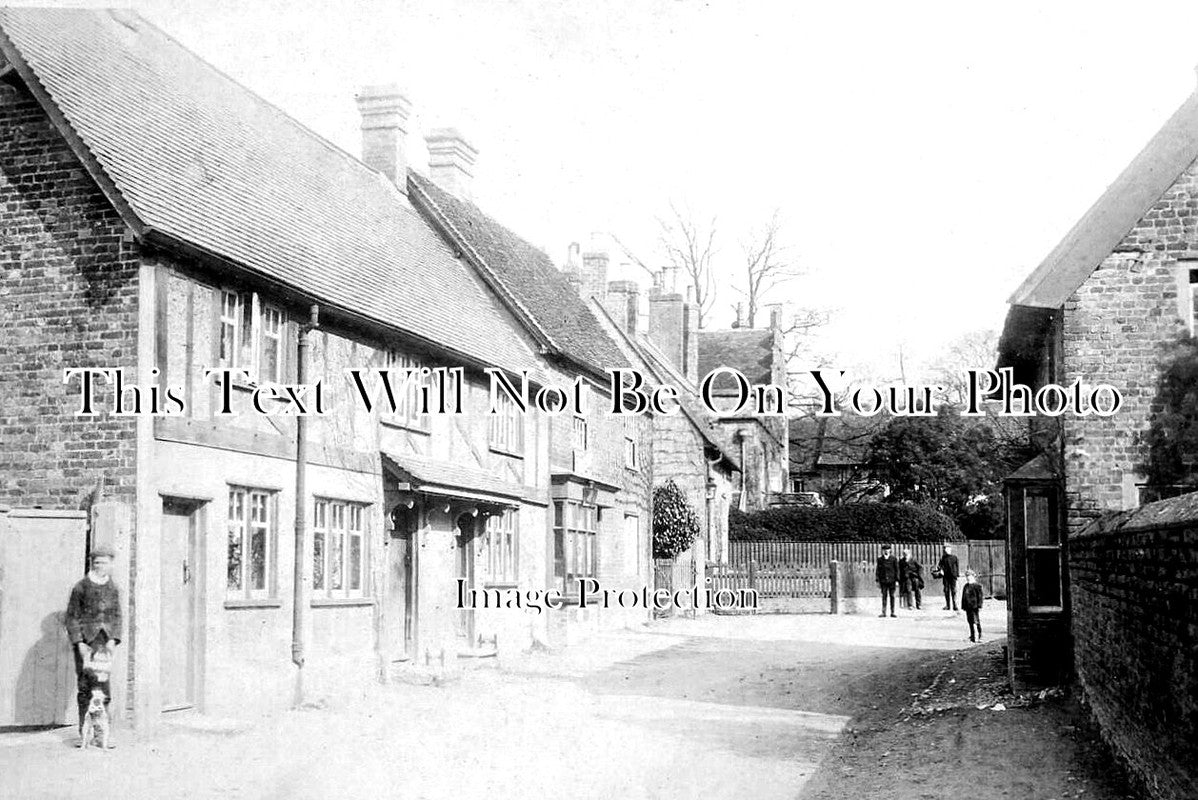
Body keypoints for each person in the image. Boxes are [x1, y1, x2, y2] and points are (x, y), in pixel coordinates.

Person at [65, 545, 122, 746]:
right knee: (86, 686)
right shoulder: (81, 587)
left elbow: (117, 616)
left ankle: (101, 734)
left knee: (103, 688)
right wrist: (79, 642)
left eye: (104, 562)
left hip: (105, 644)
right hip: (86, 643)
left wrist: (113, 639)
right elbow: (71, 617)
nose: (100, 566)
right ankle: (84, 733)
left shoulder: (113, 588)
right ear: (92, 564)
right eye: (96, 562)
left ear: (111, 564)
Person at [875, 544, 899, 618]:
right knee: (884, 596)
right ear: (883, 551)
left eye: (887, 549)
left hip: (892, 581)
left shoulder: (894, 559)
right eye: (884, 550)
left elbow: (897, 570)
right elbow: (878, 570)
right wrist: (877, 581)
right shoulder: (880, 559)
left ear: (890, 550)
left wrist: (897, 580)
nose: (886, 551)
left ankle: (892, 612)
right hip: (883, 581)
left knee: (892, 596)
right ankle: (883, 612)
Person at [962, 569, 984, 642]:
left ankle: (980, 635)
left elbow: (980, 597)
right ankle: (972, 636)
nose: (968, 578)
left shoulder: (977, 586)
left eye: (969, 576)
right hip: (968, 607)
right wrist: (963, 606)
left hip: (974, 607)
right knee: (970, 621)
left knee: (976, 621)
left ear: (973, 576)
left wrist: (980, 605)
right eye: (967, 576)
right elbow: (963, 597)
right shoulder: (966, 586)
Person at [936, 544, 960, 611]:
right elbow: (939, 566)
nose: (946, 550)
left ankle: (955, 606)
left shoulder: (954, 557)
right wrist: (941, 570)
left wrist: (957, 575)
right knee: (946, 591)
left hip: (953, 577)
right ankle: (948, 605)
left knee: (954, 591)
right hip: (946, 577)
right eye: (945, 549)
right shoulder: (943, 558)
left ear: (950, 549)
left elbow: (957, 567)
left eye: (947, 548)